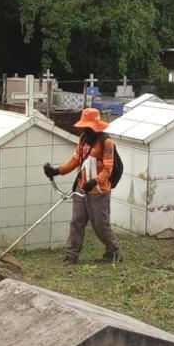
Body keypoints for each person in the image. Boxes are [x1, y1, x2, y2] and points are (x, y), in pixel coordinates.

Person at [43, 107, 122, 264]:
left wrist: (94, 181)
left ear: (96, 126)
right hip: (81, 189)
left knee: (100, 225)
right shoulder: (83, 139)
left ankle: (113, 252)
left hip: (99, 192)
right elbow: (75, 160)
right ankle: (71, 255)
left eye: (88, 126)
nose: (85, 129)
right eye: (84, 126)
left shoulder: (106, 142)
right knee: (76, 222)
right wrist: (56, 171)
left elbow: (108, 169)